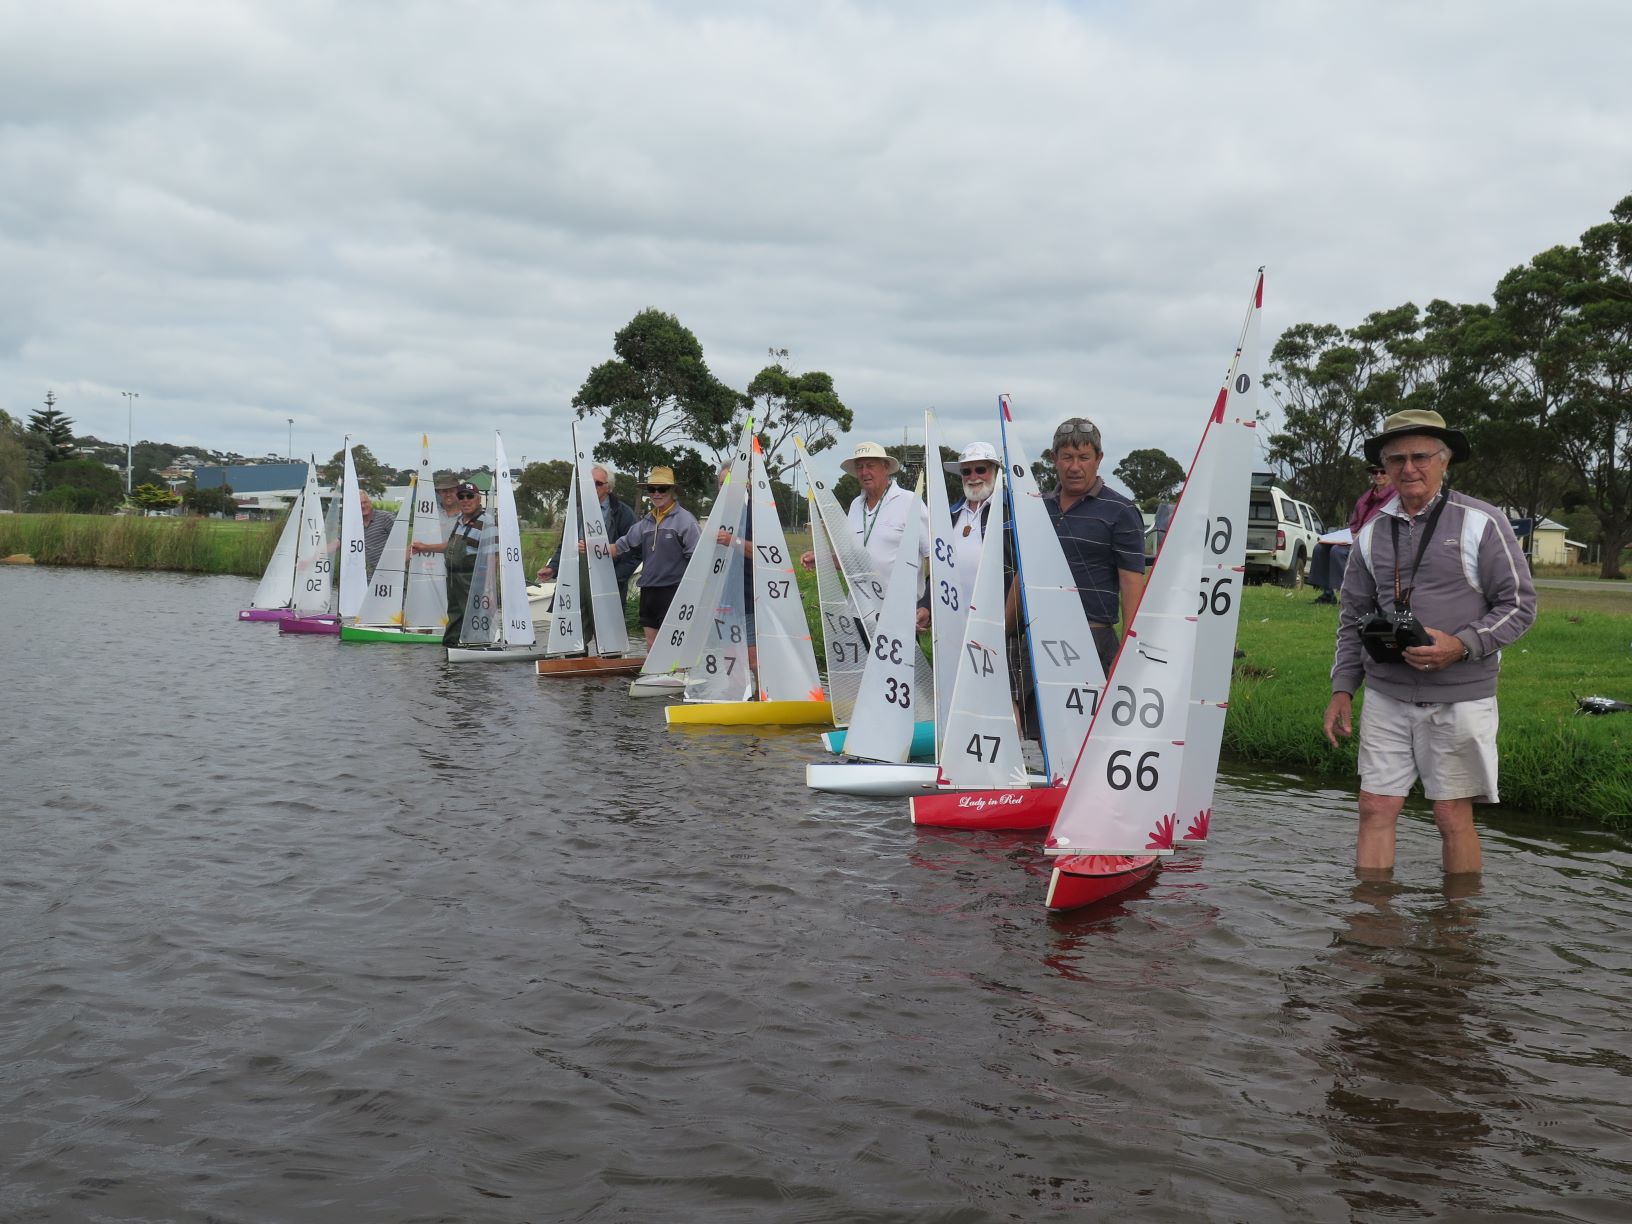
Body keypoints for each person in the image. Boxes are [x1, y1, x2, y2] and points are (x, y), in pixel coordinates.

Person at [1323, 409, 1536, 879]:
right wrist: (1343, 689)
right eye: (1396, 459)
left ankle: (1458, 934)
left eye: (1421, 456)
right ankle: (1371, 924)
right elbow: (1352, 616)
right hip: (1386, 693)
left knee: (1451, 815)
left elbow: (1520, 606)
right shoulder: (1373, 530)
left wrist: (1460, 646)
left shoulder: (1483, 522)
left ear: (1445, 462)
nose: (1408, 468)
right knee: (1375, 808)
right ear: (1384, 467)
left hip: (1461, 696)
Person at [1038, 417, 1147, 674]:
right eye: (1067, 457)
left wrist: (1130, 649)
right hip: (1038, 634)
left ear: (1099, 458)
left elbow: (1131, 583)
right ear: (1054, 458)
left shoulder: (1122, 511)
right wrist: (1006, 630)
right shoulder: (1038, 507)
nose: (1075, 466)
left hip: (1093, 638)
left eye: (1083, 457)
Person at [800, 440, 931, 631]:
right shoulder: (855, 506)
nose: (864, 472)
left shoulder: (910, 502)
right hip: (858, 614)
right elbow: (850, 560)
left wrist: (926, 605)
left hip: (898, 615)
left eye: (870, 465)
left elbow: (934, 561)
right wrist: (821, 559)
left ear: (885, 467)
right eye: (859, 467)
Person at [600, 466, 700, 650]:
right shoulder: (646, 521)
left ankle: (678, 675)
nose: (656, 494)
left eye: (661, 489)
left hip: (673, 591)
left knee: (672, 644)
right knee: (651, 644)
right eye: (651, 489)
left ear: (671, 491)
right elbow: (620, 546)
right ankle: (655, 678)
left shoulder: (686, 521)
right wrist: (592, 548)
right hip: (648, 590)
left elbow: (698, 559)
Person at [537, 465, 639, 603]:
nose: (593, 486)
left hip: (607, 589)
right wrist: (552, 567)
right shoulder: (575, 511)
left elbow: (635, 552)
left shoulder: (623, 513)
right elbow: (565, 545)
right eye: (589, 483)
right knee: (576, 624)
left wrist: (613, 578)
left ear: (609, 487)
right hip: (576, 583)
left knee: (605, 625)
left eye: (598, 483)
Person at [411, 480, 486, 645]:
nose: (465, 499)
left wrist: (487, 587)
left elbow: (493, 556)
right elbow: (450, 545)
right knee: (454, 617)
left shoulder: (487, 522)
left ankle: (476, 648)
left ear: (478, 499)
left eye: (469, 496)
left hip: (471, 578)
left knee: (471, 615)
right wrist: (425, 547)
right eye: (462, 496)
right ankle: (451, 650)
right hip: (452, 577)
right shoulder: (460, 522)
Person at [1312, 464, 1392, 604]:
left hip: (1378, 541)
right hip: (1356, 537)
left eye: (1383, 471)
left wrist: (1363, 535)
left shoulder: (1395, 497)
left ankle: (1351, 595)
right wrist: (1352, 533)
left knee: (1338, 552)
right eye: (1375, 472)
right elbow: (1354, 521)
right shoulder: (1365, 498)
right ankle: (1327, 593)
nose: (1378, 475)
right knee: (1320, 548)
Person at [942, 441, 1000, 610]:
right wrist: (926, 607)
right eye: (966, 471)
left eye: (980, 469)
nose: (973, 477)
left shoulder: (1012, 514)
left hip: (997, 625)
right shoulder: (949, 515)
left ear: (994, 471)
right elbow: (939, 569)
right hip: (954, 624)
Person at [358, 491, 396, 574]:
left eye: (365, 502)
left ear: (370, 503)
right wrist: (323, 551)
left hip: (387, 573)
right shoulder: (355, 523)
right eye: (359, 503)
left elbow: (400, 538)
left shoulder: (385, 518)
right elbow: (340, 541)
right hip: (364, 576)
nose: (363, 506)